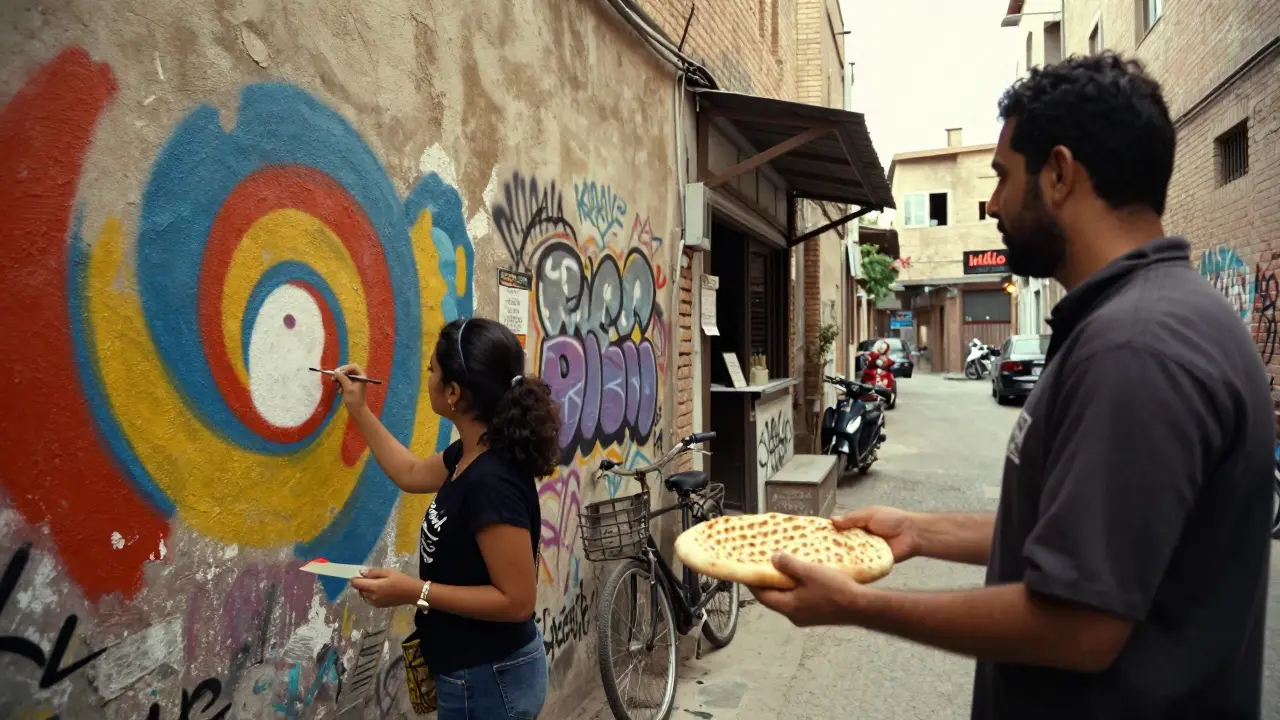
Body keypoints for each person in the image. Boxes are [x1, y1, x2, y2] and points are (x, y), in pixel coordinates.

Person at [748, 52, 1273, 719]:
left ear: (1059, 173)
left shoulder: (1135, 349)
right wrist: (921, 531)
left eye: (1001, 176)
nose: (993, 203)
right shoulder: (1147, 320)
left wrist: (858, 605)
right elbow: (1082, 535)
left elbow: (1077, 625)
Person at [336, 317, 560, 720]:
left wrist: (415, 591)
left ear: (453, 392)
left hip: (491, 679)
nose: (428, 379)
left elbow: (517, 602)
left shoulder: (491, 481)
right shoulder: (468, 454)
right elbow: (410, 473)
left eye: (432, 371)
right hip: (475, 673)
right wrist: (359, 410)